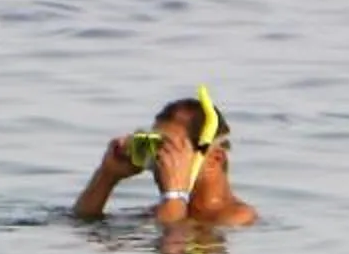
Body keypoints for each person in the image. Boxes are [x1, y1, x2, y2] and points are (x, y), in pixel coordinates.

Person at [75, 90, 260, 227]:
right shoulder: (160, 211)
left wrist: (174, 195)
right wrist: (106, 177)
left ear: (214, 159)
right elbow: (82, 227)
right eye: (155, 145)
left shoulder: (236, 218)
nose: (159, 158)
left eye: (169, 148)